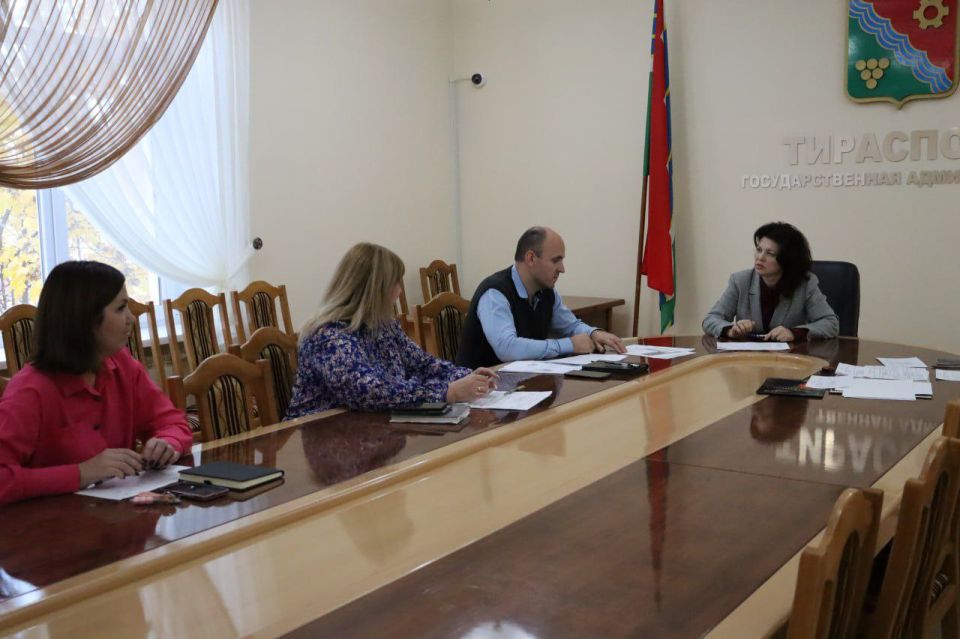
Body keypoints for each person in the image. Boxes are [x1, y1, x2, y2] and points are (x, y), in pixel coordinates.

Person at [0, 261, 192, 506]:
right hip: (53, 523)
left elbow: (173, 423)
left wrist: (168, 443)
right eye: (120, 308)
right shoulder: (30, 390)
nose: (131, 319)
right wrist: (80, 473)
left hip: (119, 516)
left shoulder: (122, 364)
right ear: (85, 319)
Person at [285, 243, 497, 420]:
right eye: (396, 284)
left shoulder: (384, 325)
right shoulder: (327, 336)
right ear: (374, 290)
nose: (400, 292)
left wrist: (469, 377)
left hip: (373, 427)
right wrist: (448, 392)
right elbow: (370, 393)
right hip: (323, 433)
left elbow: (422, 364)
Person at [456, 226, 626, 369]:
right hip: (480, 391)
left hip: (521, 385)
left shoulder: (546, 291)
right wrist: (569, 345)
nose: (562, 269)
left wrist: (593, 333)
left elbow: (570, 326)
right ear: (531, 258)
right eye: (555, 261)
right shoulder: (495, 292)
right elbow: (507, 348)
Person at [702, 222, 839, 341]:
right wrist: (730, 330)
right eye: (759, 250)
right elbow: (710, 319)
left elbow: (831, 324)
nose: (760, 257)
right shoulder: (740, 281)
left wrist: (794, 333)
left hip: (790, 358)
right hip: (748, 358)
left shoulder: (805, 284)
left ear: (787, 260)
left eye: (770, 253)